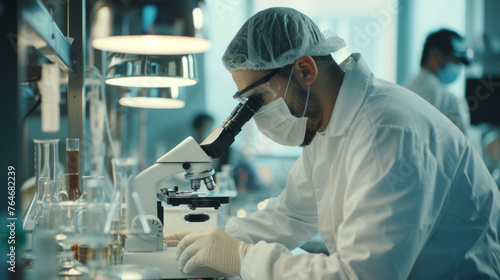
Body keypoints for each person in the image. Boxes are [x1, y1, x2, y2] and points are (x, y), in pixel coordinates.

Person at [164, 7, 500, 279]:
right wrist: (217, 235)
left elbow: (362, 276)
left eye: (259, 98)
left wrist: (241, 258)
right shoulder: (326, 125)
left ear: (306, 70)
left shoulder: (387, 131)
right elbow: (292, 213)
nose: (257, 115)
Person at [404, 29, 472, 136]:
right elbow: (466, 150)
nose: (458, 68)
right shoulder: (451, 102)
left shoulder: (402, 90)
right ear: (434, 56)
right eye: (454, 61)